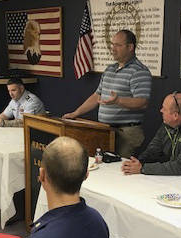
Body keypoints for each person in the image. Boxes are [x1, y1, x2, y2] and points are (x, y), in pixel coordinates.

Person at [63, 29, 152, 158]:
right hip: (105, 131)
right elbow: (97, 96)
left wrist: (118, 101)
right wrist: (75, 113)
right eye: (112, 44)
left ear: (130, 47)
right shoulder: (110, 69)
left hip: (126, 133)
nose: (113, 49)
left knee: (119, 172)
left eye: (118, 45)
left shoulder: (139, 71)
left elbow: (142, 102)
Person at [121, 92, 181, 179]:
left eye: (164, 108)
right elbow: (153, 150)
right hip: (175, 178)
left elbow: (180, 167)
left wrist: (143, 168)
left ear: (175, 115)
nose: (161, 110)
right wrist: (137, 163)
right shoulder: (168, 124)